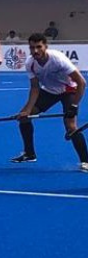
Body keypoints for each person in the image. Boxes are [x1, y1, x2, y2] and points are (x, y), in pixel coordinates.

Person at [10, 33, 87, 170]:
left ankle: (85, 161)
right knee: (24, 118)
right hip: (49, 91)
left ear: (45, 46)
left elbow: (81, 83)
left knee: (71, 126)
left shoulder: (58, 59)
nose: (35, 51)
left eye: (39, 47)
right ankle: (29, 153)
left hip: (69, 90)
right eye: (32, 48)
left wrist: (74, 106)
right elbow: (35, 88)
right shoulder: (30, 63)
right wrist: (27, 110)